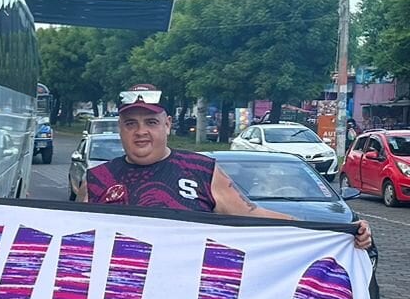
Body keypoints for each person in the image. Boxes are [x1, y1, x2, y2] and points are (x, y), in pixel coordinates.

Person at [79, 84, 371, 250]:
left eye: (151, 122)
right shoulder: (97, 179)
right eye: (131, 123)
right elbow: (75, 242)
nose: (140, 131)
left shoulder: (201, 170)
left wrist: (336, 230)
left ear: (167, 125)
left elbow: (254, 215)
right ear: (120, 129)